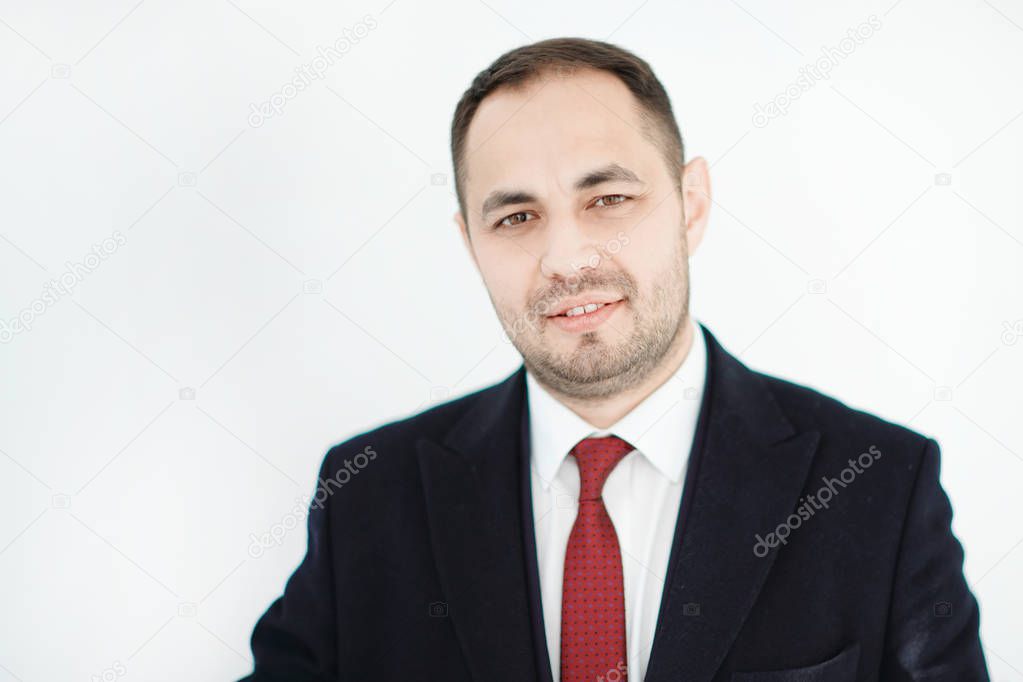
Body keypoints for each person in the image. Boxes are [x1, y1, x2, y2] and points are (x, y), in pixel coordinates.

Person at [240, 37, 990, 681]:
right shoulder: (368, 495)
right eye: (516, 217)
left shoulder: (877, 487)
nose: (565, 258)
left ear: (690, 204)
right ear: (471, 243)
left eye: (607, 200)